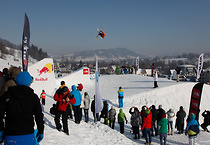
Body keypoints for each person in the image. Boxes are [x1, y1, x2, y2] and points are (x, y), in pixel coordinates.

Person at [0, 71, 44, 144]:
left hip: (10, 135)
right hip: (28, 135)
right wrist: (40, 131)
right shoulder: (33, 97)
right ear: (29, 83)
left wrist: (1, 130)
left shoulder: (7, 95)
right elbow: (39, 116)